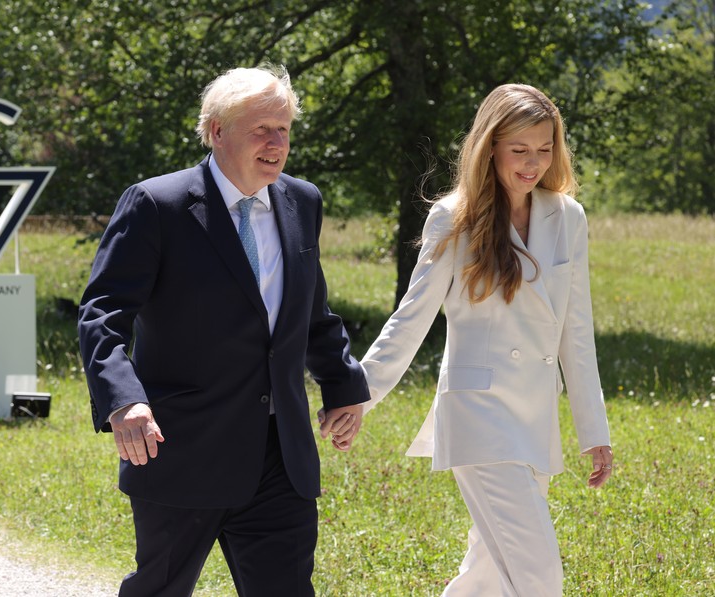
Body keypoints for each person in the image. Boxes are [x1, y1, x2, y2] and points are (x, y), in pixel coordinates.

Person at [78, 64, 369, 597]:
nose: (276, 142)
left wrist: (343, 385)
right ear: (217, 131)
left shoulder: (302, 201)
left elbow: (311, 310)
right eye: (262, 129)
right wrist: (124, 401)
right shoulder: (157, 206)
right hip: (184, 450)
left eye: (284, 129)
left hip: (281, 455)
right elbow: (102, 313)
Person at [359, 83, 613, 596]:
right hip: (478, 415)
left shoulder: (568, 218)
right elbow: (411, 318)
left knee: (486, 576)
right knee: (538, 576)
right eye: (519, 150)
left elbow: (576, 332)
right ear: (489, 146)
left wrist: (594, 429)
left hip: (534, 420)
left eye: (544, 149)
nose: (532, 163)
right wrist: (356, 395)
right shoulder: (453, 216)